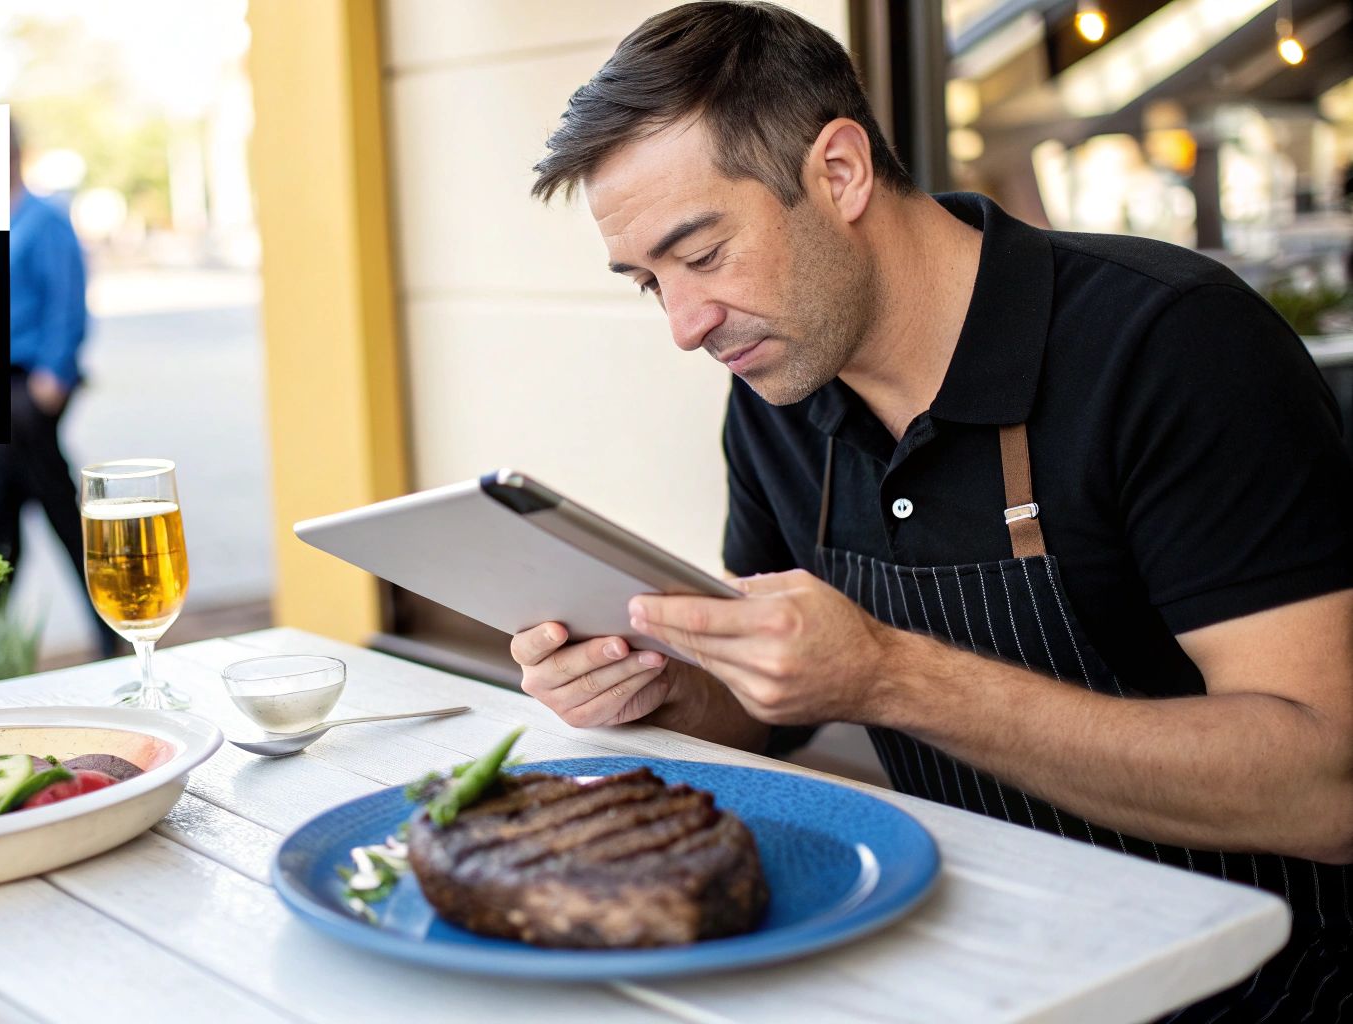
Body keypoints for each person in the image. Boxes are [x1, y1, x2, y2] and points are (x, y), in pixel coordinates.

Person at [513, 3, 1352, 1018]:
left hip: (1253, 979)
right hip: (977, 951)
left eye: (702, 254)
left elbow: (1325, 789)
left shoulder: (1171, 346)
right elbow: (776, 707)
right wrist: (663, 693)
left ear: (839, 172)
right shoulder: (779, 390)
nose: (685, 326)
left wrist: (889, 674)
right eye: (650, 282)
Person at [0, 123, 117, 657]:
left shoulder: (44, 219)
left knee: (1, 515)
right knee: (7, 513)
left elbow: (66, 299)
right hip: (7, 390)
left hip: (32, 389)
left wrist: (54, 374)